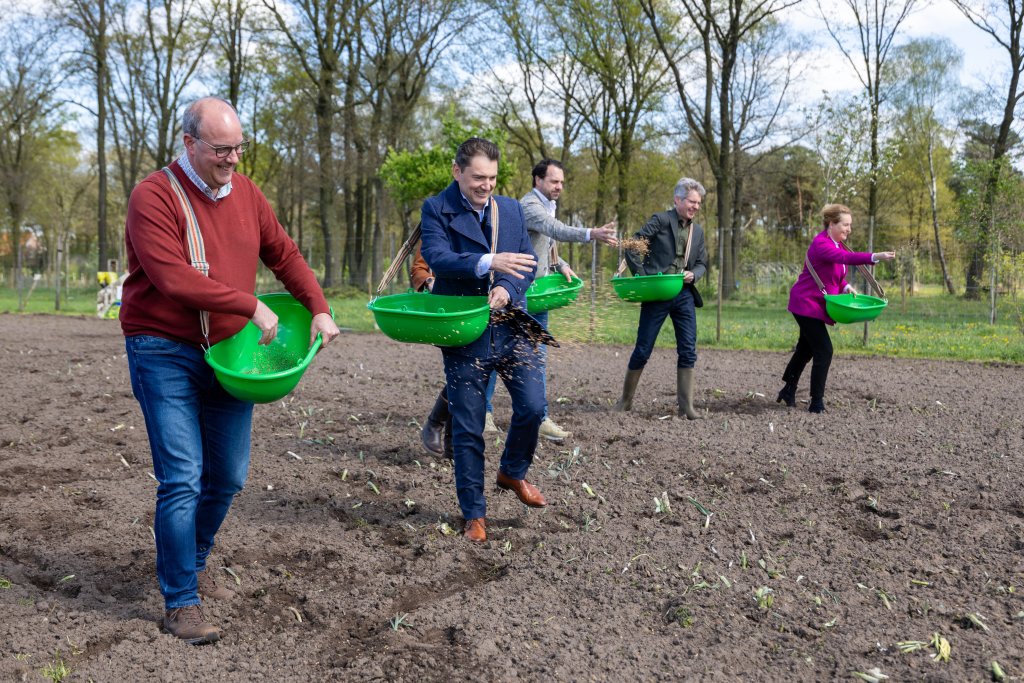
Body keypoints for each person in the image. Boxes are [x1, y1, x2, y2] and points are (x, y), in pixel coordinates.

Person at [120, 96, 340, 644]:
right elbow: (172, 277)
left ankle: (190, 563)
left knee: (230, 475)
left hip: (225, 354)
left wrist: (318, 306)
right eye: (222, 149)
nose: (233, 159)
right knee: (182, 476)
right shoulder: (153, 197)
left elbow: (283, 253)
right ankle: (180, 602)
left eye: (239, 147)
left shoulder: (246, 193)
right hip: (163, 349)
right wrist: (249, 304)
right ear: (190, 143)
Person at [419, 137, 548, 544]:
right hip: (463, 331)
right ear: (457, 171)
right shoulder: (436, 209)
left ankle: (512, 471)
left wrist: (507, 286)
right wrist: (489, 262)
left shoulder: (509, 210)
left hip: (512, 324)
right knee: (469, 426)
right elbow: (437, 257)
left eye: (492, 177)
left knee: (533, 406)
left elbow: (526, 264)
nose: (486, 185)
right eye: (478, 177)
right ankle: (474, 513)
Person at [513, 158, 618, 441]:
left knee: (537, 357)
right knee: (502, 356)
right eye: (554, 181)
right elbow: (555, 229)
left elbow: (545, 242)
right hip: (516, 295)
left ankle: (540, 418)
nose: (559, 187)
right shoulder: (530, 206)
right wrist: (591, 233)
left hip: (537, 295)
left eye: (561, 182)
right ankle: (484, 414)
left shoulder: (546, 204)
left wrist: (560, 264)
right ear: (538, 180)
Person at [778, 204, 895, 413]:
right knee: (824, 350)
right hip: (805, 304)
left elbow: (836, 275)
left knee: (806, 349)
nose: (849, 229)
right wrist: (874, 256)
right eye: (845, 225)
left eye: (850, 225)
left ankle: (788, 389)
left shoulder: (837, 244)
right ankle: (816, 402)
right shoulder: (821, 243)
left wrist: (846, 286)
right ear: (831, 224)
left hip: (813, 305)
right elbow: (845, 259)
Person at [614, 177, 708, 419]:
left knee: (688, 349)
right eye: (691, 201)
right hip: (657, 293)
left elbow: (702, 263)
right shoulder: (661, 220)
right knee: (643, 349)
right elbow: (632, 246)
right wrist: (644, 277)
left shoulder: (697, 232)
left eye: (699, 203)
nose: (696, 207)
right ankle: (625, 401)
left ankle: (687, 407)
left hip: (684, 294)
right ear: (677, 200)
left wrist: (694, 274)